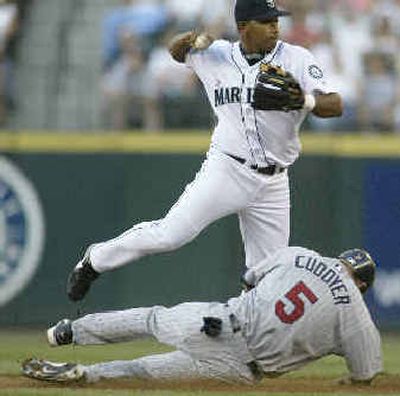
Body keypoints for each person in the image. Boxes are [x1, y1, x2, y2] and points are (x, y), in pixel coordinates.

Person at [66, 0, 343, 302]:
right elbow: (175, 51)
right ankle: (95, 260)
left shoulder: (297, 58)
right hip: (228, 168)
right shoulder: (217, 54)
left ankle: (243, 333)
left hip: (274, 182)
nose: (275, 26)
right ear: (243, 27)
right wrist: (190, 39)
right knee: (170, 234)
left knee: (268, 274)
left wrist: (304, 101)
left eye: (276, 20)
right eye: (266, 21)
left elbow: (335, 104)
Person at [22, 247, 382, 385]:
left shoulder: (301, 255)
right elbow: (365, 375)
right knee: (142, 373)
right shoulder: (357, 315)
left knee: (151, 319)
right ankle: (88, 376)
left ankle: (72, 331)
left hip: (220, 324)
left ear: (340, 259)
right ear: (363, 285)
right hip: (240, 372)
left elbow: (249, 280)